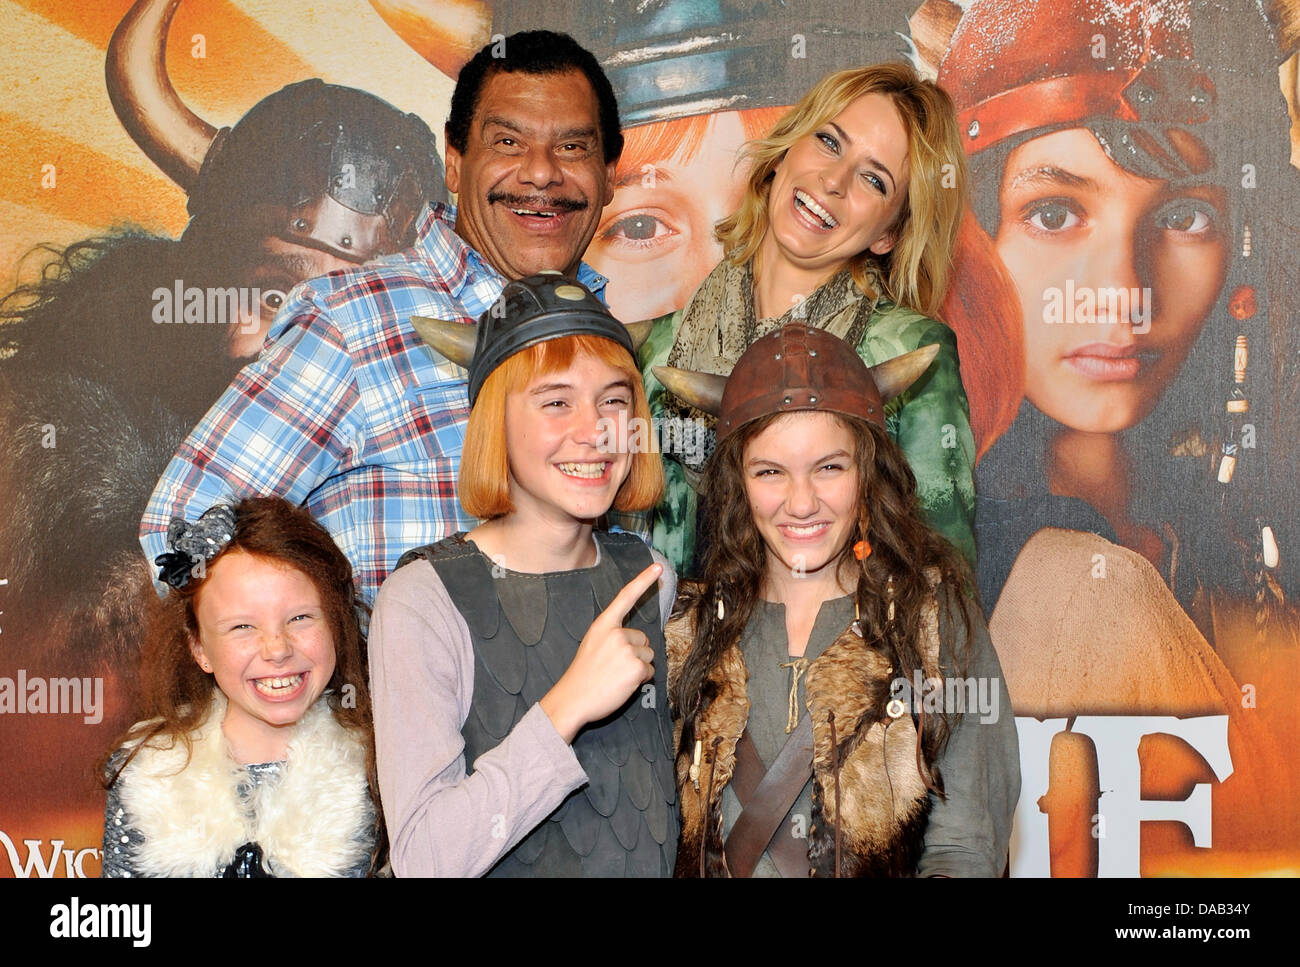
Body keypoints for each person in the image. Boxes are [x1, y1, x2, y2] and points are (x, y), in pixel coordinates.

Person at [140, 29, 625, 604]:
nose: (542, 173)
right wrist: (333, 671)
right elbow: (180, 541)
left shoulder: (614, 342)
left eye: (572, 147)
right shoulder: (353, 319)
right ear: (454, 161)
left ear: (610, 173)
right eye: (508, 143)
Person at [656, 324, 1018, 877]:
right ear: (738, 483)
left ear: (867, 471)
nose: (802, 503)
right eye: (770, 472)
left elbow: (964, 848)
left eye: (829, 467)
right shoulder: (686, 630)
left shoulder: (934, 621)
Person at [368, 274, 678, 877]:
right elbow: (425, 861)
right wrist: (569, 704)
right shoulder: (423, 600)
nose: (595, 432)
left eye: (614, 400)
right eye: (556, 401)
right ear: (495, 424)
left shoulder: (650, 579)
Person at [633, 62, 980, 576]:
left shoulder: (909, 353)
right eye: (830, 143)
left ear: (889, 234)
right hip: (677, 649)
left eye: (874, 179)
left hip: (842, 651)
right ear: (783, 154)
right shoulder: (660, 348)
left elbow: (945, 589)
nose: (834, 181)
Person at [100, 497, 380, 877]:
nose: (277, 649)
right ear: (199, 648)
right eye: (242, 627)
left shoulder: (379, 768)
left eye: (300, 618)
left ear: (336, 624)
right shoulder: (146, 774)